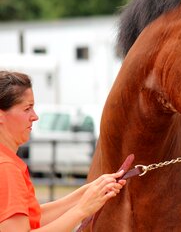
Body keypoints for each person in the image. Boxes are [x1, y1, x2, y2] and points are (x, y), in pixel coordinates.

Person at [0, 70, 126, 231]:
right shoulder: (6, 167)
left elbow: (34, 218)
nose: (35, 116)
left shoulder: (7, 162)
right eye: (27, 109)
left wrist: (90, 191)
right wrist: (82, 210)